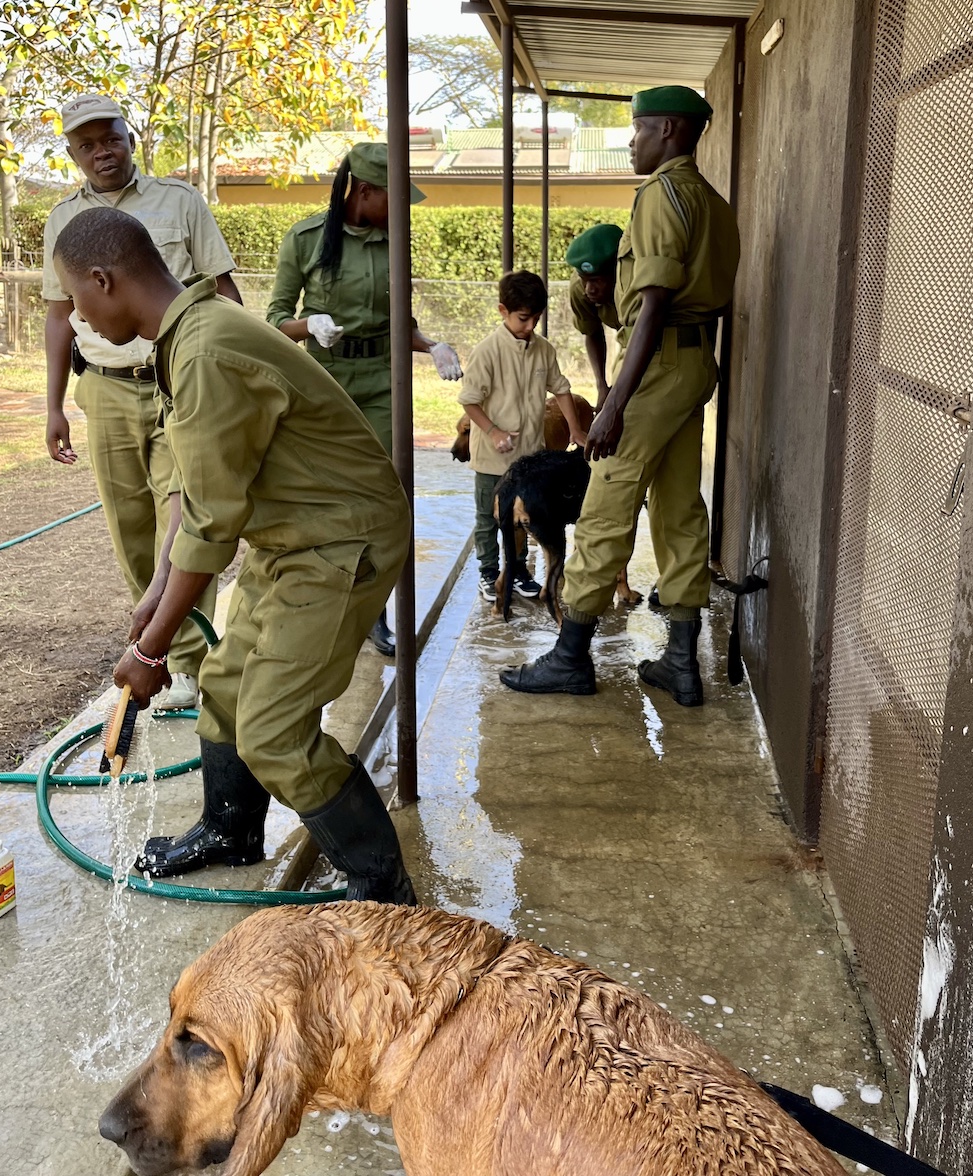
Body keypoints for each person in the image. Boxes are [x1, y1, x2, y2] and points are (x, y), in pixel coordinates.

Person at [52, 206, 416, 901]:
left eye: (76, 298)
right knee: (224, 685)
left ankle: (384, 891)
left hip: (342, 540)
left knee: (274, 730)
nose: (77, 318)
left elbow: (213, 530)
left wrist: (151, 653)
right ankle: (231, 831)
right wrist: (156, 595)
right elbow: (196, 493)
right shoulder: (191, 333)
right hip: (293, 537)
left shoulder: (206, 350)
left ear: (103, 280)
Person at [499, 86, 741, 708]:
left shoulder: (661, 194)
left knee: (606, 504)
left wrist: (612, 405)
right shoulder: (714, 202)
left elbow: (653, 303)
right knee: (679, 507)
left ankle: (570, 657)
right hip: (695, 364)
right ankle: (681, 662)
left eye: (637, 130)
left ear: (668, 130)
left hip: (658, 367)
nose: (632, 143)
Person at [42, 94, 237, 710]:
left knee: (184, 518)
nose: (102, 151)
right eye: (87, 144)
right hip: (104, 387)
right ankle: (156, 646)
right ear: (72, 153)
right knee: (129, 527)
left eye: (111, 137)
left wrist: (227, 374)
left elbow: (221, 290)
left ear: (131, 138)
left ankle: (188, 660)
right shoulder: (61, 219)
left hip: (176, 379)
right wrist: (53, 406)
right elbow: (58, 315)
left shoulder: (180, 202)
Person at [266, 141, 463, 658]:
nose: (402, 211)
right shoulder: (306, 239)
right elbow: (274, 321)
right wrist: (308, 325)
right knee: (327, 494)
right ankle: (316, 601)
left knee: (383, 495)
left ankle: (373, 612)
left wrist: (432, 345)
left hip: (381, 379)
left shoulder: (394, 242)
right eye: (395, 197)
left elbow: (402, 322)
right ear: (366, 191)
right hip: (324, 382)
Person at [459, 269, 588, 603]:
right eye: (523, 318)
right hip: (492, 457)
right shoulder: (487, 352)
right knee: (489, 517)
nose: (530, 326)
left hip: (531, 457)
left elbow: (561, 389)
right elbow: (469, 401)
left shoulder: (543, 349)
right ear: (503, 311)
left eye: (536, 318)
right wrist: (493, 431)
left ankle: (517, 570)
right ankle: (489, 572)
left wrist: (576, 430)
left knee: (525, 517)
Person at [565, 223, 623, 407]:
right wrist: (602, 385)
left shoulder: (635, 285)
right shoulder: (579, 289)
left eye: (597, 281)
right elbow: (593, 333)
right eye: (585, 280)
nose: (590, 289)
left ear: (617, 274)